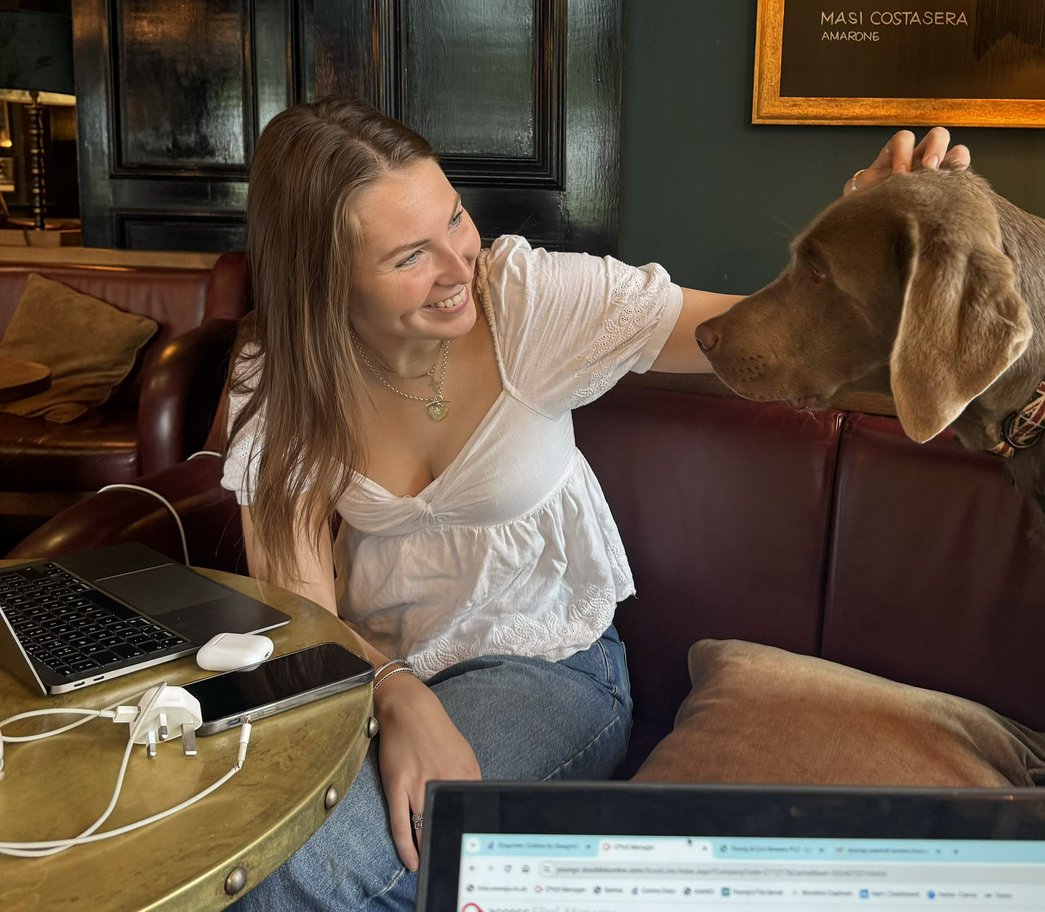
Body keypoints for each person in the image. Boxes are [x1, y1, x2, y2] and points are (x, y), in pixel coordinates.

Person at [222, 96, 969, 910]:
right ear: (323, 279)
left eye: (456, 220)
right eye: (409, 256)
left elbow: (749, 338)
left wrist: (856, 241)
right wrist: (395, 692)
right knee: (236, 851)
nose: (456, 263)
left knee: (318, 867)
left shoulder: (530, 302)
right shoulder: (280, 367)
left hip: (549, 669)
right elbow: (304, 617)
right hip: (367, 678)